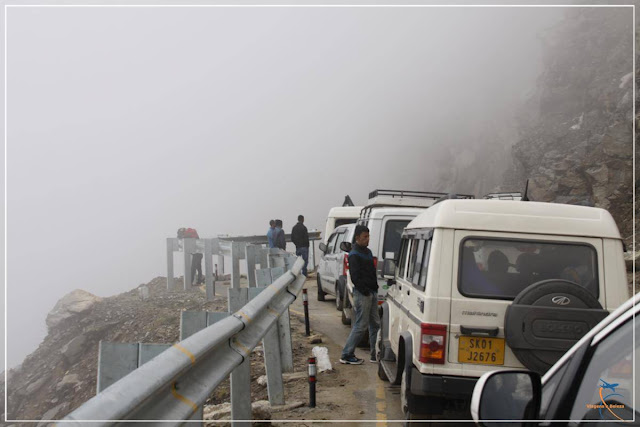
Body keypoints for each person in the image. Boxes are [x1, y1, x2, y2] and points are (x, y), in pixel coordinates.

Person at [340, 225, 380, 365]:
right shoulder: (354, 255)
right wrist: (366, 291)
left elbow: (371, 272)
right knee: (361, 325)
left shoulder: (368, 252)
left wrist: (374, 288)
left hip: (372, 292)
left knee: (375, 324)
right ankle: (346, 354)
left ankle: (375, 354)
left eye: (368, 237)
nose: (367, 239)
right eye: (365, 237)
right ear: (357, 238)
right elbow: (356, 278)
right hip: (363, 294)